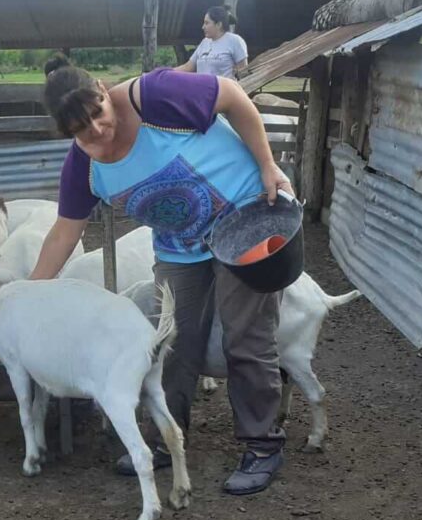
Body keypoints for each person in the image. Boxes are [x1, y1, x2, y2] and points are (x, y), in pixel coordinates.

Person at [28, 55, 293, 496]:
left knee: (245, 335)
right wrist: (29, 294)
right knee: (170, 340)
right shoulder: (83, 167)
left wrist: (268, 165)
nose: (96, 130)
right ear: (66, 133)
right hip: (180, 245)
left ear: (101, 87)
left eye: (97, 112)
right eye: (80, 129)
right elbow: (64, 230)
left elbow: (232, 97)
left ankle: (262, 445)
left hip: (243, 215)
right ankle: (169, 440)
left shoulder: (153, 96)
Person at [178, 6, 248, 79]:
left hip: (223, 89)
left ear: (218, 24)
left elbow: (243, 72)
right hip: (202, 89)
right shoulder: (204, 42)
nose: (203, 27)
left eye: (207, 23)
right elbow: (188, 67)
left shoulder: (235, 41)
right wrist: (167, 71)